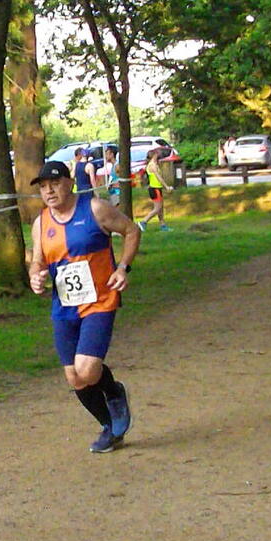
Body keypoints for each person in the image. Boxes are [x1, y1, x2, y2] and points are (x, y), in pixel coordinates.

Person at [28, 160, 141, 454]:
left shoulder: (95, 209)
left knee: (87, 371)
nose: (49, 191)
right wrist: (35, 276)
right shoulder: (41, 223)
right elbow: (38, 261)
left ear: (69, 183)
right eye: (43, 187)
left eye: (55, 184)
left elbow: (131, 231)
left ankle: (113, 392)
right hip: (64, 306)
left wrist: (123, 268)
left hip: (100, 300)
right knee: (75, 378)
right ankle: (110, 427)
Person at [138, 141, 171, 231]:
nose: (159, 155)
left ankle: (163, 225)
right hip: (155, 188)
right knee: (157, 208)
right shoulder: (152, 166)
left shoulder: (154, 164)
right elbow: (159, 177)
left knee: (160, 208)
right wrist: (166, 187)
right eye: (157, 154)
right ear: (154, 156)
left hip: (157, 188)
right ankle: (143, 222)